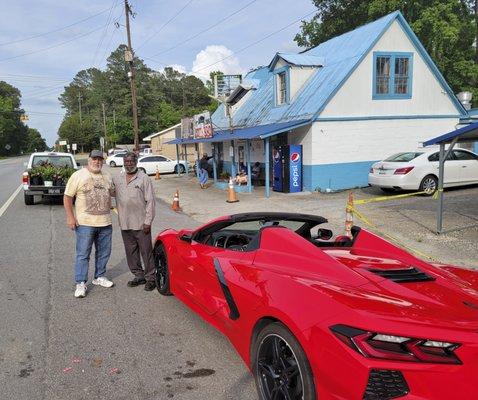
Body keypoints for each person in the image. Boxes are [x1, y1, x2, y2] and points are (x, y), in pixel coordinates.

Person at [64, 150, 114, 298]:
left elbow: (113, 193)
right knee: (83, 254)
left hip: (105, 222)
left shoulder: (107, 176)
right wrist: (70, 217)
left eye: (100, 159)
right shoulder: (78, 175)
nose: (97, 162)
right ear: (89, 159)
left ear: (103, 161)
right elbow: (67, 197)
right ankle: (80, 282)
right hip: (85, 223)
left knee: (104, 252)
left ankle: (99, 276)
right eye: (94, 159)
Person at [112, 152, 156, 291]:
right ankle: (139, 275)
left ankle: (151, 278)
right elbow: (112, 192)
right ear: (123, 163)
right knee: (131, 252)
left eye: (131, 161)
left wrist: (148, 221)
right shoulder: (118, 178)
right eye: (126, 161)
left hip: (141, 223)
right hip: (125, 222)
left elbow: (150, 201)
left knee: (146, 252)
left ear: (136, 162)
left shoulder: (144, 178)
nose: (128, 164)